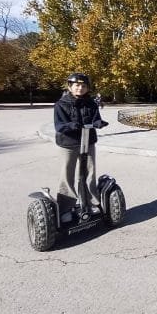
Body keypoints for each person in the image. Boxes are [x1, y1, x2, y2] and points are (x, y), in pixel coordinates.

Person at [54, 73, 108, 222]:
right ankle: (65, 208)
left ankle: (91, 203)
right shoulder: (61, 104)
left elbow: (95, 118)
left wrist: (98, 123)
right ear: (70, 87)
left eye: (83, 86)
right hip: (69, 143)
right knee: (67, 175)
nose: (80, 88)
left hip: (88, 142)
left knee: (90, 173)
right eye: (77, 85)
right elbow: (59, 126)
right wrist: (70, 125)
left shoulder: (91, 103)